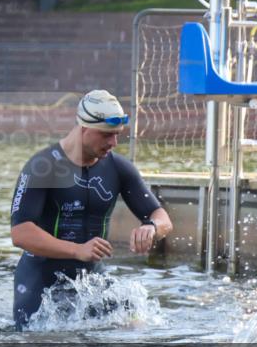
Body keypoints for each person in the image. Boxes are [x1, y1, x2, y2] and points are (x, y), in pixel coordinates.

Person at [9, 90, 173, 330]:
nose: (113, 143)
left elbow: (162, 218)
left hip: (90, 284)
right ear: (83, 128)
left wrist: (151, 227)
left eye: (117, 135)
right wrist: (77, 250)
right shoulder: (42, 167)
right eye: (107, 135)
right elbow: (20, 233)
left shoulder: (118, 168)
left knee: (137, 328)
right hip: (40, 286)